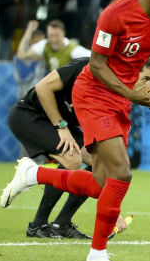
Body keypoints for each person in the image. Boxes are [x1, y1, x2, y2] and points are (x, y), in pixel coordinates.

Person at [2, 0, 150, 261]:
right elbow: (97, 65)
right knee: (122, 173)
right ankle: (97, 256)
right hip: (94, 94)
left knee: (102, 185)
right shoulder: (116, 14)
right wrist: (132, 94)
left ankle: (34, 175)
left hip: (121, 101)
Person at [7, 57, 124, 239]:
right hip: (30, 116)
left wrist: (113, 210)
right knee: (72, 159)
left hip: (63, 125)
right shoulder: (85, 66)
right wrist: (61, 127)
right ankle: (38, 224)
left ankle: (61, 223)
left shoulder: (119, 89)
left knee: (101, 161)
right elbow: (42, 87)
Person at [16, 20, 90, 71]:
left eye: (57, 36)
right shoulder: (44, 45)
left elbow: (94, 59)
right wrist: (29, 30)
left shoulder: (74, 49)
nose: (54, 40)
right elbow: (21, 55)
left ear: (63, 34)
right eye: (51, 36)